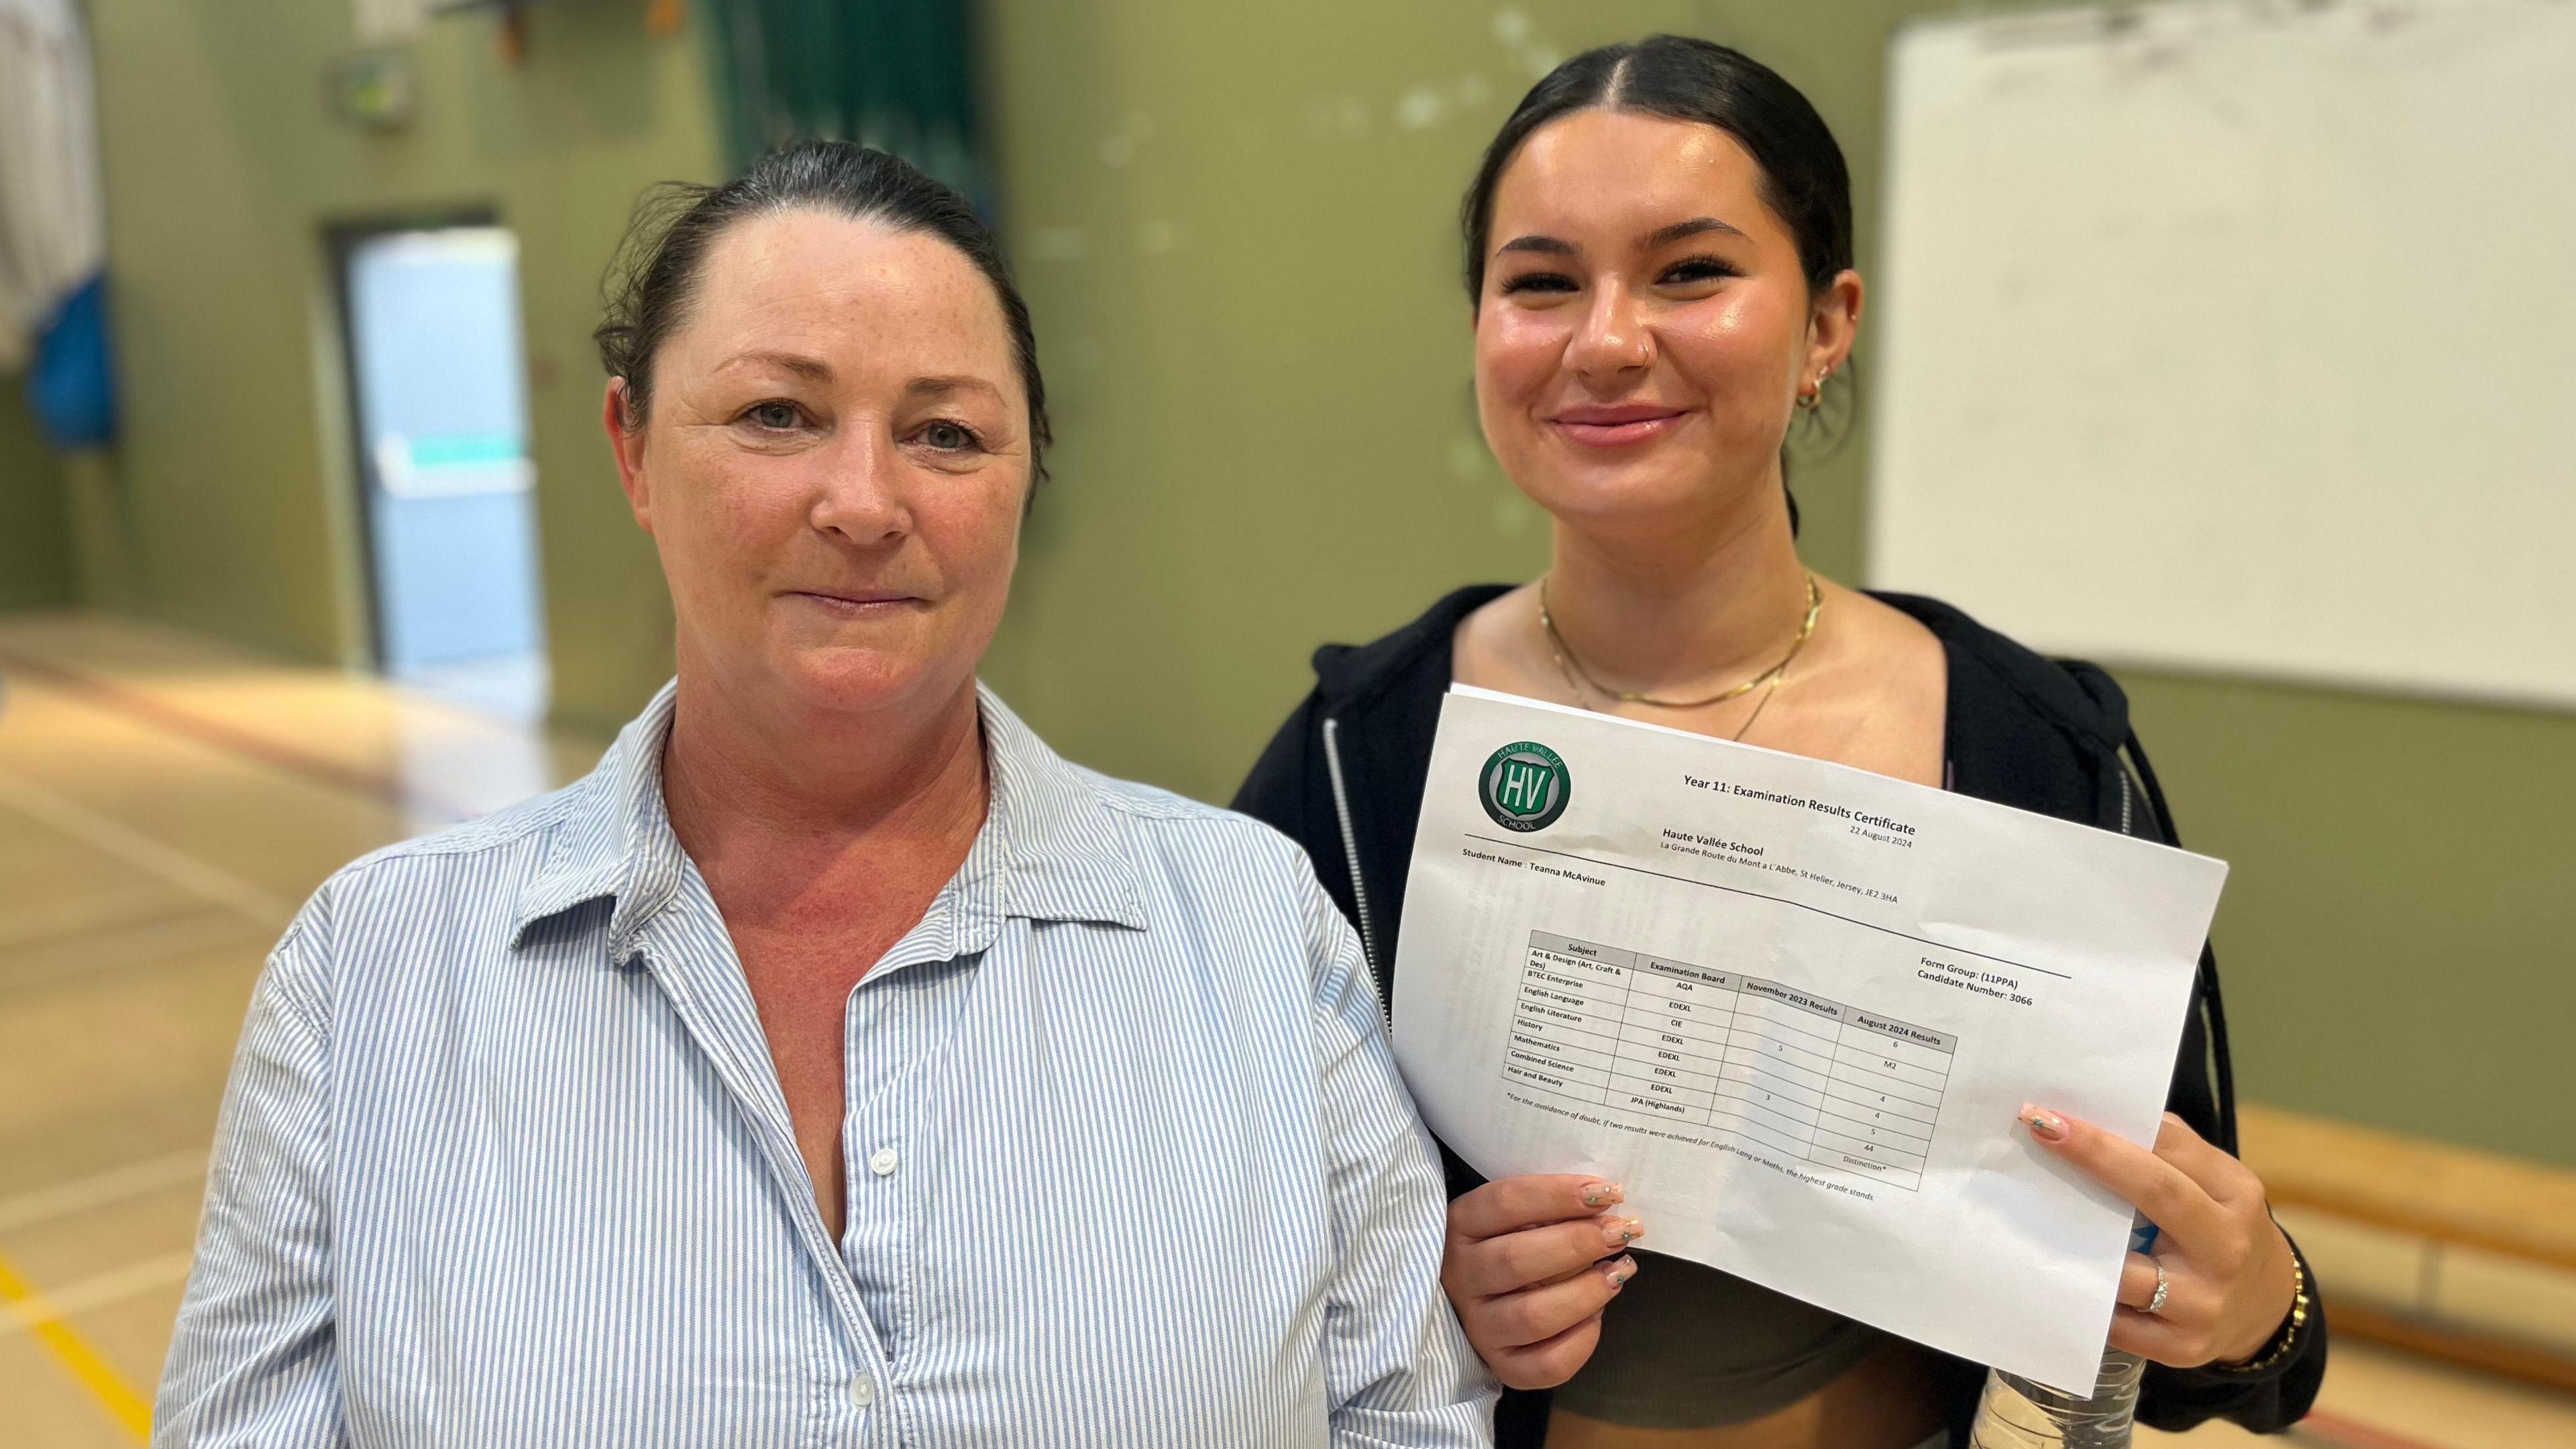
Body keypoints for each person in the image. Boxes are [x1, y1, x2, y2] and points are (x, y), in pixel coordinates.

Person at [155, 142, 1494, 1448]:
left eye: (947, 433)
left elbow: (1403, 1419)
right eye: (777, 415)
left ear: (1026, 478)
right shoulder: (372, 974)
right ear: (631, 447)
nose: (864, 501)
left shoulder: (1256, 933)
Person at [1236, 36, 2323, 1449]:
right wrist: (1411, 1299)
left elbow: (2199, 1328)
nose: (1607, 339)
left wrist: (2255, 1308)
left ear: (1826, 324)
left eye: (1690, 270)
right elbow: (1199, 1246)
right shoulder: (1355, 758)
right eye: (1541, 281)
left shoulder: (2036, 752)